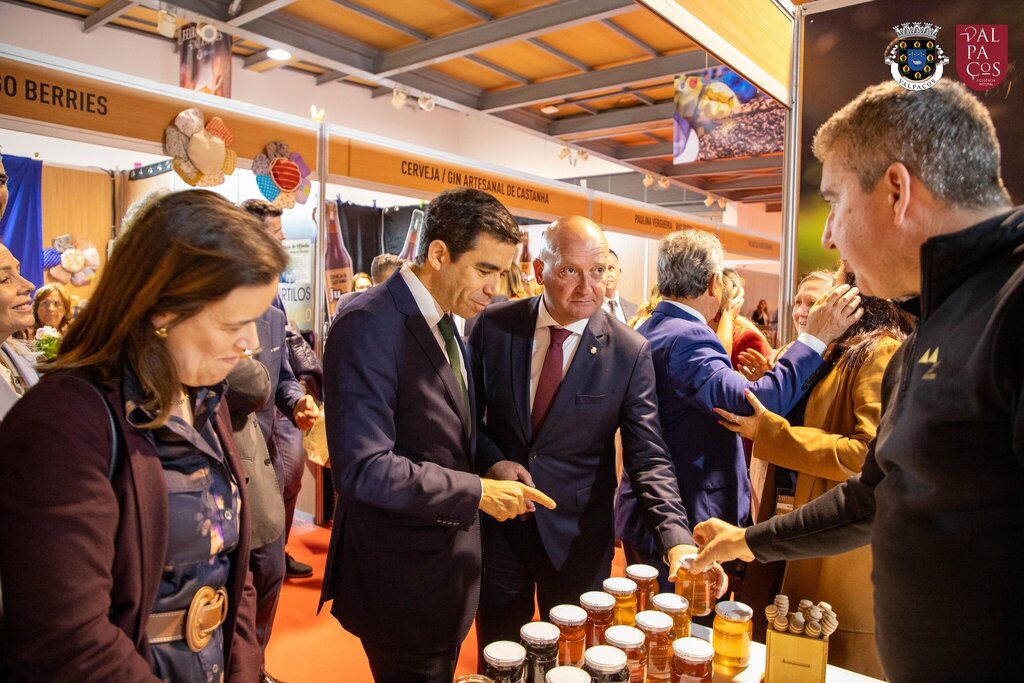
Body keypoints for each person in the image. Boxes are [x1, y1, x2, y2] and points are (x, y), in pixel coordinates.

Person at [691, 79, 1023, 681]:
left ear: (897, 191)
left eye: (836, 201)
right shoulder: (929, 328)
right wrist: (749, 541)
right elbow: (874, 495)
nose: (828, 236)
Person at [0, 189, 285, 681]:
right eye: (233, 324)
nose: (252, 343)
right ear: (162, 311)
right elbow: (68, 640)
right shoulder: (63, 424)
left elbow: (229, 570)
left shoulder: (204, 397)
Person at [319, 187, 555, 683]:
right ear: (439, 254)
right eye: (484, 270)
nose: (494, 288)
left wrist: (492, 462)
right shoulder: (368, 323)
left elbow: (451, 428)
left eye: (501, 273)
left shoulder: (448, 319)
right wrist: (478, 492)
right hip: (400, 581)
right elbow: (363, 469)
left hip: (443, 573)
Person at [469, 216, 696, 650]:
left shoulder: (629, 350)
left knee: (575, 662)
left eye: (598, 271)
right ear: (540, 270)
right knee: (499, 655)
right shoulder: (494, 327)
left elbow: (648, 456)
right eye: (571, 271)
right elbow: (467, 423)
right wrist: (494, 462)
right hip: (500, 531)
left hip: (578, 540)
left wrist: (677, 539)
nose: (588, 287)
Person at [614, 229, 861, 592]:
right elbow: (755, 404)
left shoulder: (653, 326)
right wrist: (813, 340)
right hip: (683, 516)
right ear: (714, 283)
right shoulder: (687, 336)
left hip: (658, 513)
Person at [716, 268, 914, 677]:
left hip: (832, 541)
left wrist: (771, 432)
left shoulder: (879, 349)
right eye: (801, 301)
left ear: (856, 294)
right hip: (789, 521)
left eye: (833, 284)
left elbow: (867, 454)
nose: (814, 306)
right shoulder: (832, 349)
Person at [240, 198, 320, 584]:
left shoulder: (273, 308)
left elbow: (282, 372)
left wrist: (297, 399)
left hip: (266, 448)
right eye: (276, 232)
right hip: (231, 461)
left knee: (268, 572)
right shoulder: (212, 304)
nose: (284, 238)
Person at [602, 249, 638, 323]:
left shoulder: (634, 310)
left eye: (611, 268)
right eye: (602, 270)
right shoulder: (590, 309)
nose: (607, 274)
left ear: (619, 272)